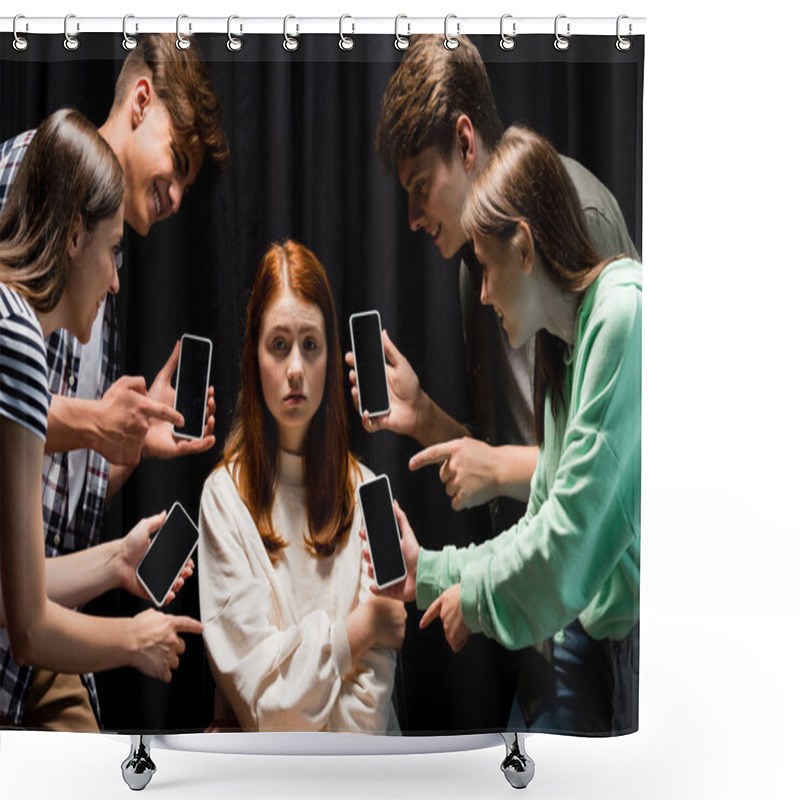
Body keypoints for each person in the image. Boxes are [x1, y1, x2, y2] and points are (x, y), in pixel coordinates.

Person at [368, 126, 641, 736]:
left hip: (635, 645)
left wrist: (473, 598)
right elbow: (546, 518)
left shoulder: (623, 314)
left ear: (523, 248)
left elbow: (567, 544)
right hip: (593, 633)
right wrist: (430, 570)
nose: (483, 292)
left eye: (488, 270)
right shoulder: (567, 353)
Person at [0, 33, 229, 731]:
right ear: (140, 101)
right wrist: (95, 422)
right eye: (178, 163)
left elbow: (55, 493)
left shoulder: (101, 281)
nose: (179, 195)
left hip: (37, 608)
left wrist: (124, 448)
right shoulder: (30, 173)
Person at [199, 241, 404, 733]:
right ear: (255, 356)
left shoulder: (369, 494)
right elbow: (267, 706)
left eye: (310, 345)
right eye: (279, 345)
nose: (295, 368)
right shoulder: (224, 500)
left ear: (331, 356)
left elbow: (367, 717)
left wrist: (300, 672)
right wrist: (360, 629)